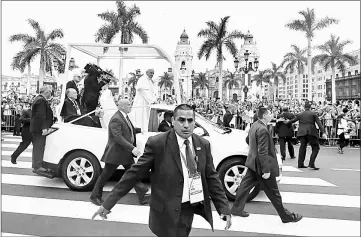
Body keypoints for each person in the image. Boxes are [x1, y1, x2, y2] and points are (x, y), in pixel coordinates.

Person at [92, 104, 232, 237]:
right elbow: (133, 175)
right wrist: (108, 203)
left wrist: (223, 208)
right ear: (173, 120)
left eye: (190, 120)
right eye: (181, 120)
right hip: (164, 210)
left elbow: (211, 177)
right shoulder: (157, 143)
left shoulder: (203, 144)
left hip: (188, 209)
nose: (186, 125)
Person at [231, 107, 302, 224]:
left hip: (253, 162)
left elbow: (248, 140)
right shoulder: (263, 129)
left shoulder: (254, 125)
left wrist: (254, 150)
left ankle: (236, 209)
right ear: (264, 116)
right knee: (274, 193)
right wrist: (266, 170)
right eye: (269, 113)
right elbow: (262, 151)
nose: (271, 115)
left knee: (244, 187)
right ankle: (285, 216)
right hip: (262, 165)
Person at [90, 99, 148, 206]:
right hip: (115, 154)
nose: (131, 106)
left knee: (133, 174)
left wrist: (138, 130)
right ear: (122, 107)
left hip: (124, 153)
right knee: (105, 176)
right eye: (129, 105)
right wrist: (132, 148)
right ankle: (95, 196)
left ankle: (142, 194)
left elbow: (127, 129)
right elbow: (118, 137)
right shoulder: (116, 119)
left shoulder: (124, 117)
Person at [285, 103, 327, 170]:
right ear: (310, 107)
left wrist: (287, 122)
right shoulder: (313, 114)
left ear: (304, 107)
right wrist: (323, 132)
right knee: (315, 147)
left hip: (302, 132)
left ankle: (300, 164)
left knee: (302, 147)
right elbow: (319, 124)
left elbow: (293, 121)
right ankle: (311, 163)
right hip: (311, 131)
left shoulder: (300, 114)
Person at [30, 86, 54, 173]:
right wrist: (44, 128)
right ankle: (37, 166)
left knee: (38, 147)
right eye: (49, 92)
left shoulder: (39, 99)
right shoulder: (41, 100)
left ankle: (37, 164)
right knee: (38, 147)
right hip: (39, 129)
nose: (50, 94)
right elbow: (41, 115)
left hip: (37, 128)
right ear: (46, 92)